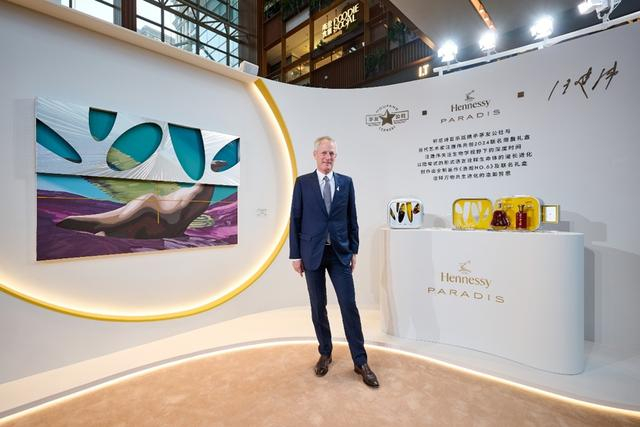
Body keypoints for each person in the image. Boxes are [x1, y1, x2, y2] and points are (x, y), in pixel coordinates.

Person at [289, 136, 379, 388]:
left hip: (340, 253)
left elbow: (352, 218)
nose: (328, 157)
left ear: (335, 157)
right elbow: (295, 218)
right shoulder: (303, 183)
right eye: (324, 153)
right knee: (318, 306)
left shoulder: (346, 183)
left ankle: (360, 361)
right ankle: (325, 353)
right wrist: (295, 255)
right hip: (312, 253)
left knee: (349, 305)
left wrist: (354, 250)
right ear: (315, 154)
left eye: (332, 154)